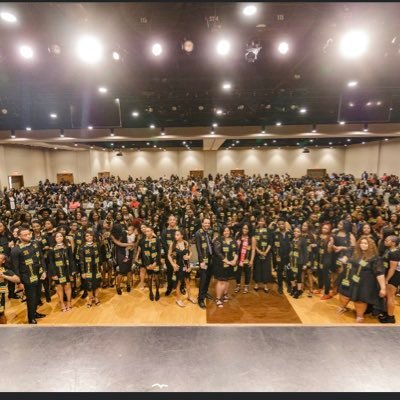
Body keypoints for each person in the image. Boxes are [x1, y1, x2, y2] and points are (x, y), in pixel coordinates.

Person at [337, 237, 386, 323]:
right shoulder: (354, 252)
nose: (363, 245)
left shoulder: (375, 258)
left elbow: (380, 273)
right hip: (350, 278)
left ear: (371, 245)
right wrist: (344, 258)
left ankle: (359, 315)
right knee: (344, 294)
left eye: (366, 243)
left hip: (365, 282)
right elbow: (346, 252)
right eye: (361, 243)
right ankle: (342, 307)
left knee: (360, 299)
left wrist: (383, 288)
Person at [10, 227, 47, 324]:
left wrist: (44, 271)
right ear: (19, 237)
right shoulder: (16, 250)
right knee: (31, 298)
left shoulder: (36, 244)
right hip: (27, 277)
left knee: (38, 296)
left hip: (38, 274)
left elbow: (41, 258)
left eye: (29, 234)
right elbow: (15, 267)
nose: (28, 236)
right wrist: (19, 282)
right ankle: (31, 318)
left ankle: (34, 313)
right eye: (25, 235)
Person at [47, 231, 76, 312]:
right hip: (57, 270)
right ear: (54, 239)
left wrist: (73, 269)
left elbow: (71, 259)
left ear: (63, 237)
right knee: (59, 287)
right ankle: (62, 303)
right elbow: (51, 262)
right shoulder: (51, 249)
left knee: (68, 285)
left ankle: (69, 302)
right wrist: (53, 273)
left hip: (67, 269)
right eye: (57, 237)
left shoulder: (68, 246)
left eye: (60, 236)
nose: (59, 238)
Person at [168, 229, 196, 307]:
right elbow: (168, 255)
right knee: (178, 283)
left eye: (177, 235)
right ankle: (178, 299)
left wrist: (188, 256)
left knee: (187, 281)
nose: (175, 236)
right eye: (175, 235)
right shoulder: (172, 244)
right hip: (178, 266)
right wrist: (173, 264)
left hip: (186, 266)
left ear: (182, 235)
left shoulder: (186, 243)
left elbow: (190, 252)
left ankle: (189, 296)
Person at [212, 226, 238, 308]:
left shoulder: (233, 240)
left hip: (231, 264)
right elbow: (218, 252)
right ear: (222, 232)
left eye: (228, 231)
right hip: (221, 264)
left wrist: (234, 260)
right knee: (221, 281)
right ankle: (218, 299)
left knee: (227, 280)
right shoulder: (218, 240)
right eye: (225, 231)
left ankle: (225, 294)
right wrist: (227, 261)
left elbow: (237, 251)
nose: (226, 232)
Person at [379, 235, 400, 323]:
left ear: (393, 243)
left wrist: (387, 279)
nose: (385, 241)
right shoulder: (389, 250)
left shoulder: (394, 253)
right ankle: (386, 313)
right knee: (387, 296)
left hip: (393, 276)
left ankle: (391, 318)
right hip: (389, 275)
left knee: (390, 297)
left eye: (387, 241)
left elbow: (392, 268)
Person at [137, 226, 162, 301]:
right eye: (146, 231)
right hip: (148, 262)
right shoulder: (143, 241)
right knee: (150, 278)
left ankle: (157, 291)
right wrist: (147, 264)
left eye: (148, 231)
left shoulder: (157, 239)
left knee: (157, 278)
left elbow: (159, 253)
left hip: (156, 262)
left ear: (152, 231)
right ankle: (150, 292)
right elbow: (143, 254)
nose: (146, 232)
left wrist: (155, 263)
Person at [195, 217, 214, 309]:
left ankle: (205, 292)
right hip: (203, 260)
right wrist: (201, 261)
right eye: (205, 223)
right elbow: (198, 249)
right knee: (203, 279)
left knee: (208, 278)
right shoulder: (198, 233)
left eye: (208, 223)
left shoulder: (209, 232)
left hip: (210, 258)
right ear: (202, 223)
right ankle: (200, 299)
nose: (207, 225)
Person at [79, 230, 102, 307]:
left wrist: (101, 266)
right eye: (87, 236)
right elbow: (81, 260)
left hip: (97, 268)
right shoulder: (82, 247)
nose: (89, 237)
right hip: (87, 269)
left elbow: (100, 256)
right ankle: (90, 298)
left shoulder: (97, 245)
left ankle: (96, 298)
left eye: (91, 235)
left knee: (97, 283)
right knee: (89, 285)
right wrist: (83, 272)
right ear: (84, 237)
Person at [161, 215, 182, 296]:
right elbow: (164, 244)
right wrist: (170, 253)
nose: (172, 221)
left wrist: (177, 252)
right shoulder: (164, 231)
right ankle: (169, 288)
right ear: (168, 222)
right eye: (171, 220)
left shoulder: (179, 230)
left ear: (176, 221)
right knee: (170, 272)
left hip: (179, 255)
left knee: (180, 272)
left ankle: (181, 287)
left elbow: (181, 241)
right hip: (169, 256)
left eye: (174, 220)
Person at [271, 218, 293, 294]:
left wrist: (291, 254)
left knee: (289, 271)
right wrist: (275, 255)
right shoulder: (274, 233)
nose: (281, 225)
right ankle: (280, 286)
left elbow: (293, 244)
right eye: (279, 224)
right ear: (277, 225)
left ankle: (289, 285)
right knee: (279, 271)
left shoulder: (290, 233)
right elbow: (273, 246)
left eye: (282, 224)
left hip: (288, 256)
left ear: (285, 224)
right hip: (279, 256)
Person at [253, 217, 273, 293]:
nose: (261, 222)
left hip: (266, 253)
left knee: (265, 269)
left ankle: (265, 285)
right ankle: (256, 284)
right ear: (257, 221)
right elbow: (253, 242)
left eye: (262, 221)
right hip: (257, 253)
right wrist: (258, 251)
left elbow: (271, 242)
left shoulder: (269, 230)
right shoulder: (255, 230)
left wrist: (266, 252)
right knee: (257, 268)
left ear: (265, 222)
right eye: (259, 221)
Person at [234, 223, 255, 294]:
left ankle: (246, 286)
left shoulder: (252, 238)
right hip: (238, 258)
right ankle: (238, 285)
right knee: (237, 273)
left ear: (249, 230)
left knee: (247, 273)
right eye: (243, 228)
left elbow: (253, 250)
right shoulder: (238, 235)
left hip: (247, 258)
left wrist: (251, 260)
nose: (245, 230)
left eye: (246, 229)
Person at [289, 227, 309, 299]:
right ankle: (294, 288)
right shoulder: (292, 240)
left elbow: (305, 252)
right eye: (295, 231)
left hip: (299, 261)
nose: (296, 233)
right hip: (292, 261)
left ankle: (299, 290)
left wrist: (305, 263)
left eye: (298, 232)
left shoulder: (303, 241)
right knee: (291, 275)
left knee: (298, 276)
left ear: (300, 233)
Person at [0, 253, 21, 324]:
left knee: (1, 314)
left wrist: (4, 276)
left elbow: (17, 279)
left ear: (3, 261)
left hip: (0, 297)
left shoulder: (5, 271)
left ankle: (4, 330)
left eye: (0, 258)